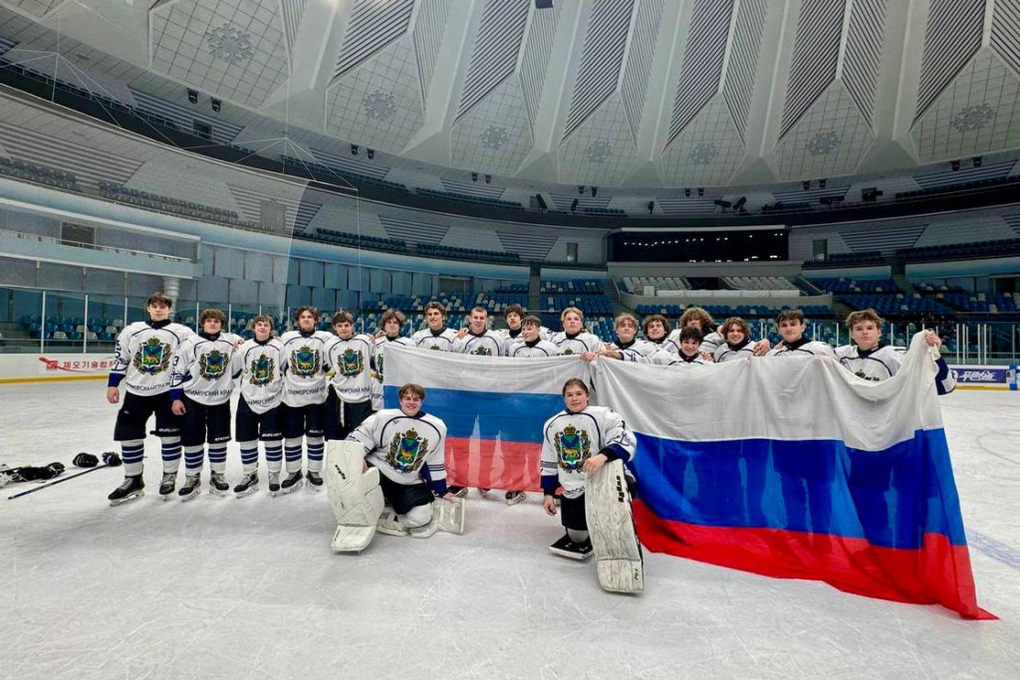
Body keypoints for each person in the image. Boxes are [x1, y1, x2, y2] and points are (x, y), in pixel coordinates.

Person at [106, 292, 195, 505]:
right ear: (148, 308)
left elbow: (193, 358)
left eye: (163, 306)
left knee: (170, 435)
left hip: (167, 392)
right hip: (136, 391)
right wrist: (113, 384)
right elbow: (122, 358)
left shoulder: (182, 332)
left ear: (169, 309)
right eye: (154, 305)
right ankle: (133, 479)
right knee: (129, 435)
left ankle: (169, 476)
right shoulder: (132, 330)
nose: (158, 309)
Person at [343, 383, 457, 537]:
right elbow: (355, 440)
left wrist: (442, 491)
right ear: (400, 400)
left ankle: (391, 517)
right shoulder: (383, 417)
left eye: (416, 399)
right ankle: (367, 508)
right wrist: (358, 457)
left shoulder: (437, 427)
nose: (411, 402)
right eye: (407, 398)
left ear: (421, 402)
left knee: (421, 517)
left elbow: (434, 461)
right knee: (355, 471)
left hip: (406, 480)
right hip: (379, 471)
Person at [541, 378, 636, 559]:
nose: (574, 398)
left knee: (613, 531)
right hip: (573, 488)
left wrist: (603, 455)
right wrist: (548, 494)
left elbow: (625, 438)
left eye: (578, 394)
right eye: (569, 395)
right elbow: (549, 460)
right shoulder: (551, 424)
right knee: (577, 538)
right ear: (564, 398)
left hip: (605, 483)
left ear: (587, 395)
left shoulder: (604, 415)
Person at [169, 308, 240, 500]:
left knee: (219, 440)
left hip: (220, 400)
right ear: (203, 323)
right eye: (209, 321)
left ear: (221, 324)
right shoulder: (190, 343)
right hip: (193, 399)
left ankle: (218, 475)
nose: (212, 324)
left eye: (216, 321)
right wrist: (175, 398)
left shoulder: (230, 340)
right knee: (193, 440)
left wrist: (239, 341)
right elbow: (177, 371)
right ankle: (192, 477)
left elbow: (239, 359)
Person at [278, 306, 333, 492]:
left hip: (317, 398)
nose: (306, 319)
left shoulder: (325, 338)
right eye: (303, 317)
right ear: (298, 321)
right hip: (292, 398)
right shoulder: (287, 338)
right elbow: (280, 362)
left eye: (310, 317)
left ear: (315, 320)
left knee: (315, 436)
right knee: (292, 437)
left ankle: (314, 471)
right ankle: (293, 472)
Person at [834, 309, 955, 394]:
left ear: (879, 332)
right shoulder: (843, 355)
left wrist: (933, 355)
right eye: (859, 329)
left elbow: (942, 388)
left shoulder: (894, 356)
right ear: (852, 334)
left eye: (870, 328)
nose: (865, 332)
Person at [231, 314, 286, 497]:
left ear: (271, 328)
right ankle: (250, 475)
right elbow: (236, 371)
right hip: (248, 399)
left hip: (273, 400)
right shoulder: (244, 347)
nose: (262, 327)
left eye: (266, 325)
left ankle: (274, 474)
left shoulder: (279, 347)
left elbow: (284, 368)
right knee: (247, 439)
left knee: (273, 440)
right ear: (253, 327)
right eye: (259, 325)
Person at [324, 311, 375, 443]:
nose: (343, 329)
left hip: (362, 396)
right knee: (340, 435)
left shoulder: (365, 341)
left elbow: (376, 358)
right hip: (341, 395)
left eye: (346, 325)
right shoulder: (329, 345)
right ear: (335, 328)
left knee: (361, 435)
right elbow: (330, 366)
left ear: (352, 326)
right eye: (340, 326)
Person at [371, 309, 413, 410]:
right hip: (379, 391)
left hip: (399, 388)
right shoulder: (376, 343)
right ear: (384, 325)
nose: (392, 325)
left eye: (395, 322)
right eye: (389, 322)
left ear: (400, 325)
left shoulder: (408, 344)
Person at [766, 309, 834, 357]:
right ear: (779, 330)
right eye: (784, 325)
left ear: (802, 327)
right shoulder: (775, 355)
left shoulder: (820, 350)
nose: (789, 329)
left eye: (793, 324)